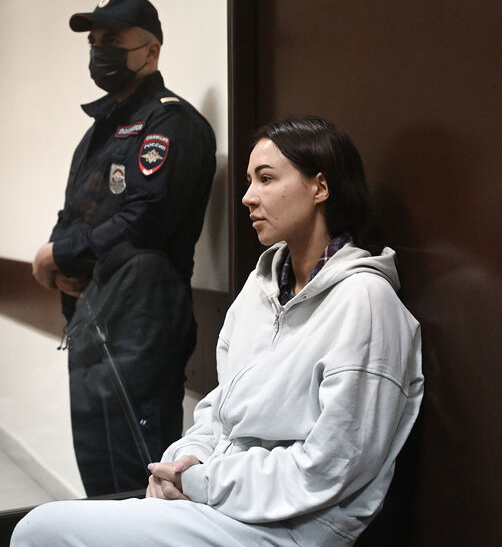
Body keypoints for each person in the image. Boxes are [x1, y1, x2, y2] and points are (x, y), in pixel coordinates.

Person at [14, 115, 422, 546]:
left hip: (292, 526)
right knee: (48, 527)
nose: (248, 197)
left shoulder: (365, 300)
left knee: (40, 530)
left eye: (266, 178)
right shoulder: (261, 287)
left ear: (320, 187)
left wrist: (203, 480)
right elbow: (218, 410)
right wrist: (182, 462)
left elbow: (334, 465)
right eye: (248, 181)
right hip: (218, 501)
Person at [30, 0, 216, 496]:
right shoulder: (100, 131)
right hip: (91, 317)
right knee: (99, 476)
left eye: (111, 40)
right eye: (94, 42)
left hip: (140, 321)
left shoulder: (169, 122)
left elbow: (146, 218)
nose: (99, 51)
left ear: (151, 51)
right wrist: (62, 264)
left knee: (138, 479)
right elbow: (75, 214)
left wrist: (59, 255)